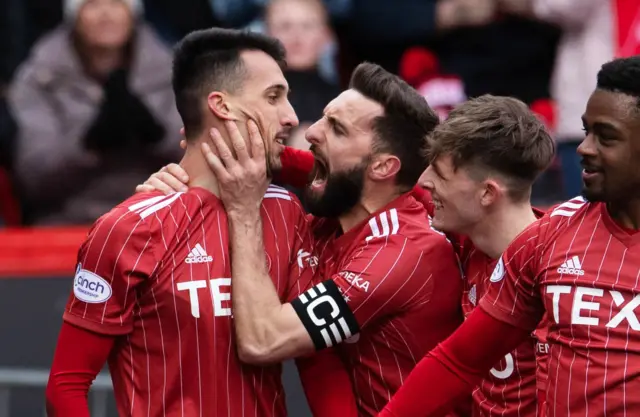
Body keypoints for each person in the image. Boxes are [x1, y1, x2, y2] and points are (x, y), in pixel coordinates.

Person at [45, 28, 357, 417]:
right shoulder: (127, 229)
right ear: (222, 106)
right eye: (274, 96)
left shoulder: (287, 211)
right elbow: (67, 385)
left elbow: (317, 362)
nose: (291, 117)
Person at [144, 62, 465, 416]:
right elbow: (307, 166)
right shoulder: (332, 221)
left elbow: (263, 340)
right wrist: (190, 171)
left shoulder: (401, 253)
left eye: (337, 129)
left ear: (383, 168)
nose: (311, 132)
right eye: (324, 118)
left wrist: (245, 210)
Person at [378, 55, 640, 416]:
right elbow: (459, 361)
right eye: (586, 132)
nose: (584, 148)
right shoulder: (549, 236)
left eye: (606, 137)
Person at [415, 94, 555, 416]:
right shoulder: (468, 239)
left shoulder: (559, 275)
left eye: (438, 172)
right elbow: (379, 181)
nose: (424, 181)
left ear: (487, 193)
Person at [9, 0, 183, 225]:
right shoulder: (40, 77)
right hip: (70, 222)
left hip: (157, 218)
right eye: (92, 4)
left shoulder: (171, 71)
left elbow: (196, 161)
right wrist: (88, 146)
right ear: (73, 15)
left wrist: (158, 138)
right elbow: (32, 177)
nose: (106, 14)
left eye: (117, 4)